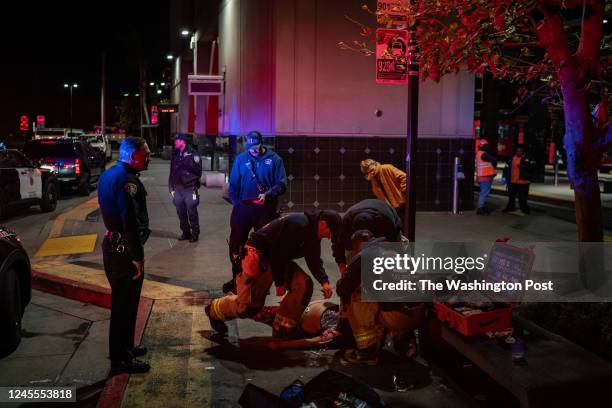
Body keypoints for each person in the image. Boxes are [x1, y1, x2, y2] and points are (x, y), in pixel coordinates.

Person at [206, 210, 342, 338]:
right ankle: (213, 310)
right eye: (330, 233)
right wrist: (279, 283)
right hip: (262, 258)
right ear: (323, 223)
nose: (329, 237)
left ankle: (282, 329)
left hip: (277, 261)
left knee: (303, 285)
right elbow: (277, 253)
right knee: (247, 308)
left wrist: (324, 282)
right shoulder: (298, 225)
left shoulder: (312, 232)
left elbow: (314, 259)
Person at [98, 137, 152, 373]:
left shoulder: (110, 174)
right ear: (132, 157)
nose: (148, 157)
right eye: (145, 154)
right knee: (124, 306)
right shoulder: (126, 182)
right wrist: (137, 257)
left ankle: (127, 347)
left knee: (126, 304)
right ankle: (121, 358)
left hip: (113, 246)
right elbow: (129, 222)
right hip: (124, 251)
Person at [336, 230, 425, 365]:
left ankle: (367, 350)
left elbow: (343, 288)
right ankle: (405, 342)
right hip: (418, 315)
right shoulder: (395, 250)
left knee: (355, 295)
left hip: (397, 317)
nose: (353, 252)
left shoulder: (364, 255)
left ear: (358, 243)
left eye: (353, 248)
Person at [225, 130, 287, 293]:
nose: (253, 150)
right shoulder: (241, 159)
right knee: (236, 246)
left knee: (264, 248)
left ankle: (262, 284)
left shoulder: (274, 160)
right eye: (250, 147)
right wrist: (237, 204)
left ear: (262, 144)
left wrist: (268, 195)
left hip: (265, 209)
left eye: (256, 147)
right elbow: (233, 186)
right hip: (243, 209)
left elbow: (282, 184)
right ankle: (237, 280)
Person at [331, 198, 403, 272]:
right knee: (353, 267)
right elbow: (337, 245)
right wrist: (342, 267)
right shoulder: (345, 225)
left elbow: (393, 247)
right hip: (359, 215)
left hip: (387, 218)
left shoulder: (386, 224)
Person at [169, 133, 203, 242]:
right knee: (180, 212)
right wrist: (171, 188)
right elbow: (172, 172)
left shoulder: (193, 154)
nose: (175, 142)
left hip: (189, 187)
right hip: (178, 188)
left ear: (183, 141)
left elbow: (198, 171)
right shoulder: (175, 154)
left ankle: (195, 233)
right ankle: (185, 232)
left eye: (177, 140)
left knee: (192, 211)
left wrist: (186, 161)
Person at [359, 159, 406, 225]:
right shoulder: (373, 178)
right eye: (368, 172)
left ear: (375, 164)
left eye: (372, 170)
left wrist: (402, 193)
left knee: (403, 225)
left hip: (401, 203)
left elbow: (404, 177)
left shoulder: (386, 168)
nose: (371, 173)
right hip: (391, 207)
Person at [503, 145, 532, 214]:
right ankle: (510, 207)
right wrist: (504, 177)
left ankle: (524, 209)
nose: (518, 152)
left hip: (523, 182)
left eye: (520, 151)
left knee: (523, 198)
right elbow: (506, 167)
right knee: (511, 197)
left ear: (523, 151)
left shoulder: (527, 158)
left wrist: (524, 167)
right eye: (517, 151)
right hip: (512, 181)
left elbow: (532, 168)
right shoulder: (511, 158)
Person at [475, 139, 497, 215]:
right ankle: (480, 208)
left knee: (484, 193)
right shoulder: (483, 154)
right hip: (484, 177)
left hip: (484, 176)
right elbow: (493, 159)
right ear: (484, 146)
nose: (488, 147)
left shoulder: (480, 153)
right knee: (483, 193)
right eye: (487, 146)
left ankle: (482, 207)